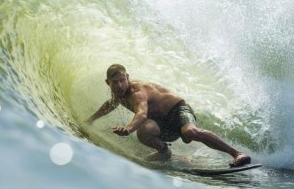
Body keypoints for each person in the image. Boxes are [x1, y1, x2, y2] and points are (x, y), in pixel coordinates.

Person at [85, 64, 251, 167]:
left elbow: (141, 114)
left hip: (178, 111)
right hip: (162, 124)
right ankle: (164, 152)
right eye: (115, 82)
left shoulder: (137, 93)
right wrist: (90, 120)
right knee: (143, 131)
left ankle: (237, 153)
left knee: (189, 133)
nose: (120, 85)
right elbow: (111, 104)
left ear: (127, 77)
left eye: (122, 80)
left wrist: (128, 129)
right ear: (108, 83)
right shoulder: (118, 93)